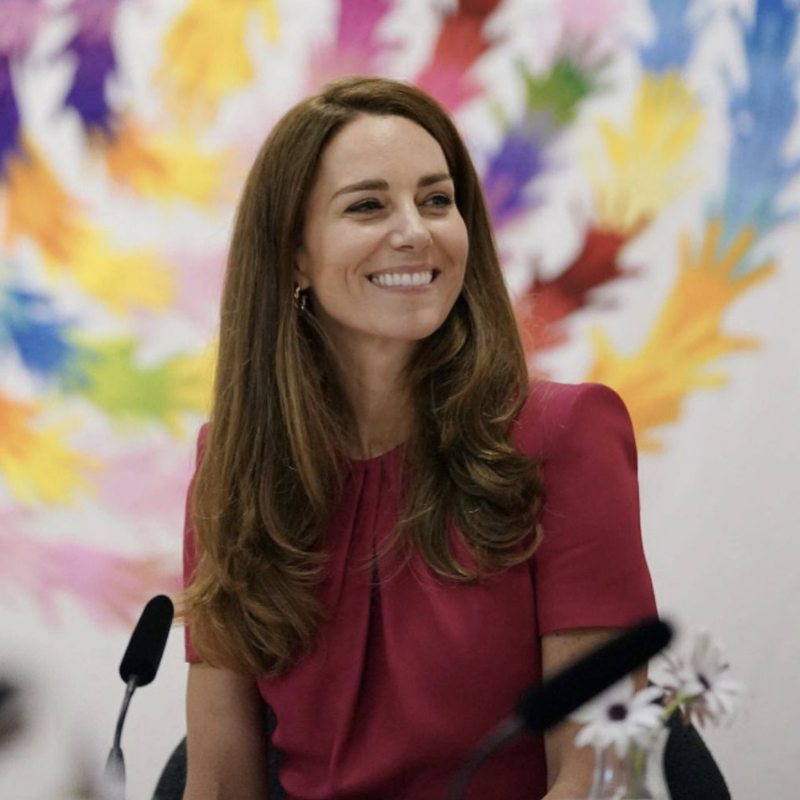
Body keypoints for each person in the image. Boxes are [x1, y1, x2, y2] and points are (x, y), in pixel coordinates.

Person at [180, 76, 656, 800]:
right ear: (294, 256)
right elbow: (217, 783)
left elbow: (597, 777)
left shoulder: (566, 435)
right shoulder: (233, 465)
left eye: (437, 200)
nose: (416, 230)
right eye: (369, 205)